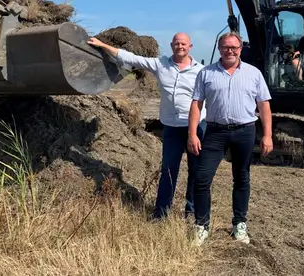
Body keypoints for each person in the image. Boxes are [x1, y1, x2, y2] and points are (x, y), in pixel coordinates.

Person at [87, 32, 206, 220]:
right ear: (171, 45)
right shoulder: (161, 64)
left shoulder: (201, 71)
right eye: (176, 43)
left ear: (190, 47)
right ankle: (161, 212)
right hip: (172, 127)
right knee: (168, 169)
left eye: (183, 44)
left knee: (196, 170)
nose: (180, 46)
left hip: (197, 126)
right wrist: (102, 45)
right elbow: (132, 58)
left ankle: (191, 211)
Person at [186, 31, 273, 246]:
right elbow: (196, 104)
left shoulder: (253, 73)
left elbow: (264, 106)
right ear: (220, 48)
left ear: (240, 49)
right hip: (215, 132)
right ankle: (202, 225)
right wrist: (192, 134)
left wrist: (268, 135)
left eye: (234, 47)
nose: (230, 51)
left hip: (245, 131)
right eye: (225, 47)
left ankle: (239, 224)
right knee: (202, 178)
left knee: (241, 177)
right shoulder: (206, 74)